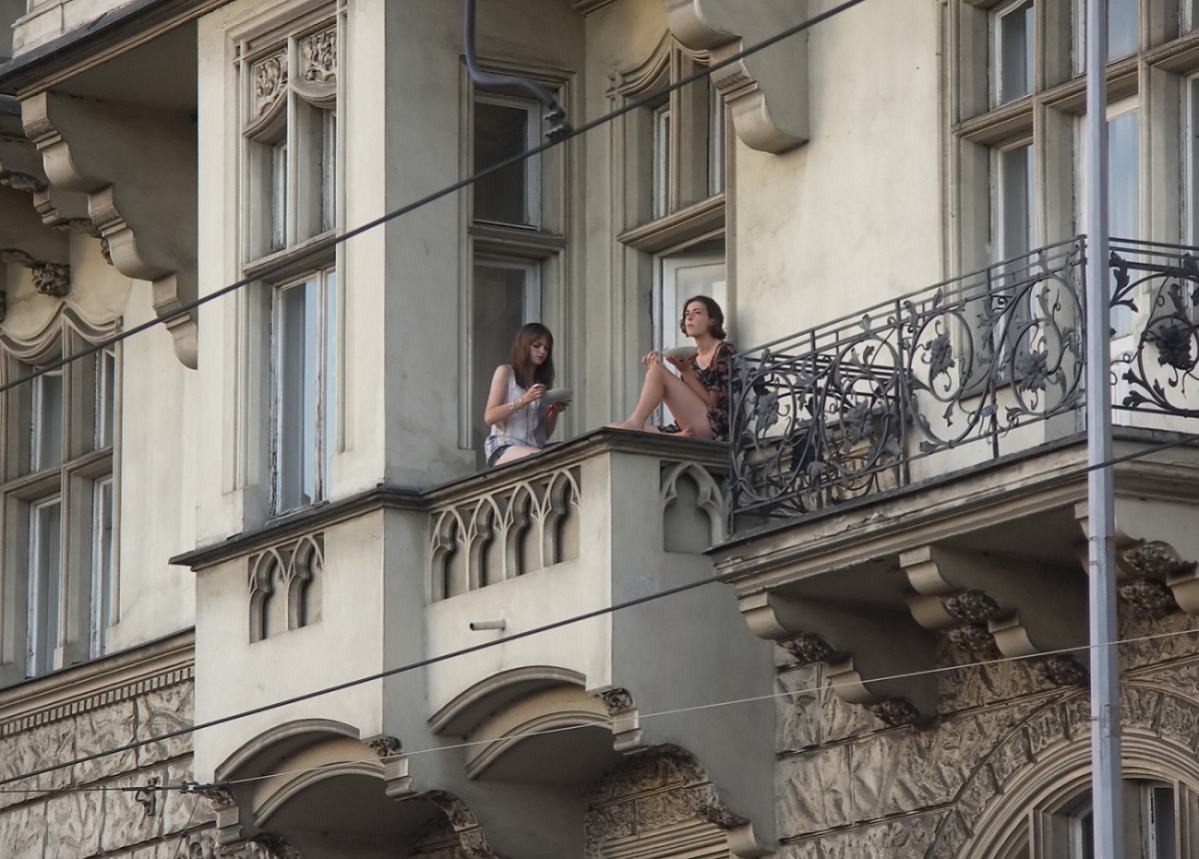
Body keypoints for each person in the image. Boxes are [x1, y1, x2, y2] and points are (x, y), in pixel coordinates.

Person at [609, 295, 735, 440]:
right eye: (687, 314)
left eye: (697, 312)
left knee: (657, 371)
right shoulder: (691, 357)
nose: (689, 317)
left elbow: (712, 404)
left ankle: (636, 422)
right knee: (614, 427)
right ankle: (677, 435)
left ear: (712, 320)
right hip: (691, 425)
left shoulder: (724, 351)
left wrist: (685, 371)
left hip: (715, 425)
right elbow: (686, 402)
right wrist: (682, 370)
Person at [483, 323, 568, 466]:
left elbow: (544, 435)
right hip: (504, 447)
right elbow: (490, 417)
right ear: (524, 345)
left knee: (569, 453)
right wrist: (524, 400)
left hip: (534, 448)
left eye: (546, 348)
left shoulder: (540, 383)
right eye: (537, 346)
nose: (542, 352)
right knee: (540, 458)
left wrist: (554, 412)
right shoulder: (506, 372)